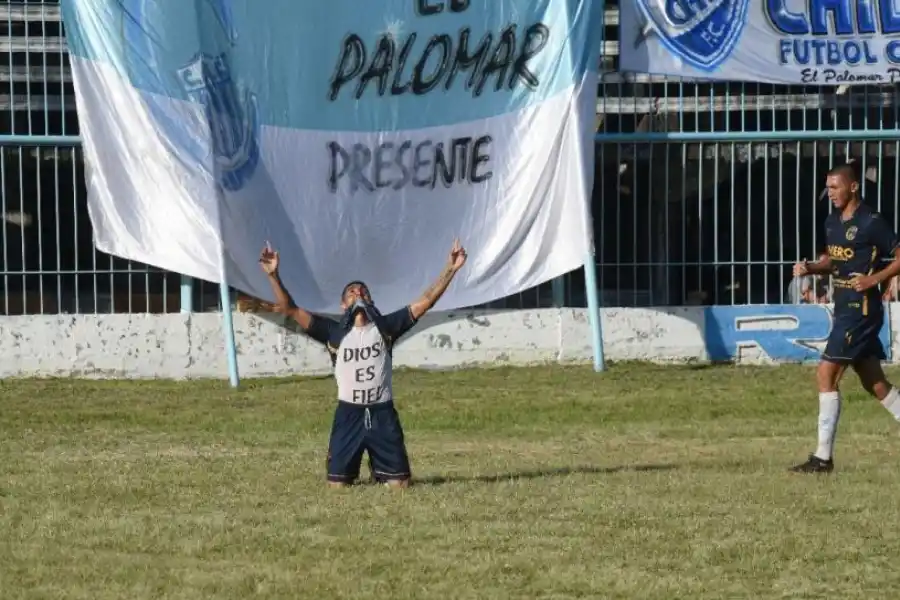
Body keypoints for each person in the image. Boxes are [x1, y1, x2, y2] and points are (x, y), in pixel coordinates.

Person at [258, 239, 468, 488]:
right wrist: (274, 275)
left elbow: (426, 301)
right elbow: (289, 309)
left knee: (399, 486)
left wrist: (451, 269)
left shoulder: (386, 327)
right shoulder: (332, 332)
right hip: (349, 414)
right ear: (343, 305)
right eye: (351, 292)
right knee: (337, 487)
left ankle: (381, 467)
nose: (357, 293)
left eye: (363, 291)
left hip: (382, 413)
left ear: (371, 301)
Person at [790, 163, 900, 473]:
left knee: (826, 374)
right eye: (828, 189)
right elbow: (834, 261)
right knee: (875, 384)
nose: (831, 194)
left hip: (861, 312)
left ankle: (822, 458)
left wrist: (873, 279)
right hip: (843, 310)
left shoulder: (872, 222)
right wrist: (812, 267)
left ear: (853, 187)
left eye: (836, 188)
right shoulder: (832, 222)